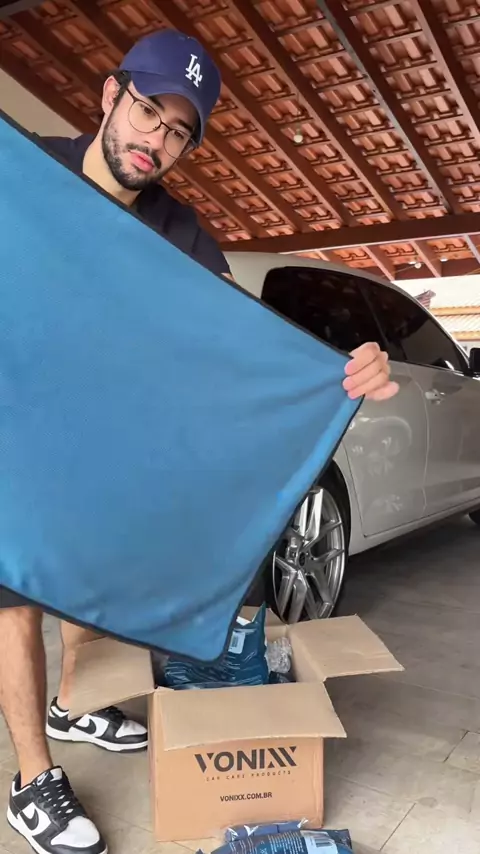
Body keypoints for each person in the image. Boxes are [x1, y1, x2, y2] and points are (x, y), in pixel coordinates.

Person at [0, 27, 398, 854]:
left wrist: (342, 371)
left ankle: (74, 704)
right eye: (148, 111)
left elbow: (241, 341)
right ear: (111, 96)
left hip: (102, 440)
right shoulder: (29, 172)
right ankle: (32, 777)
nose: (158, 139)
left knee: (87, 564)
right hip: (19, 415)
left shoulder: (180, 232)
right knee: (16, 587)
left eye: (180, 131)